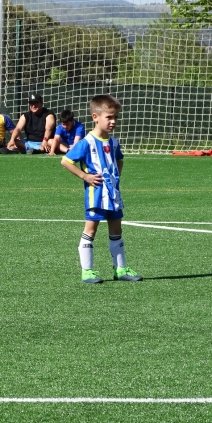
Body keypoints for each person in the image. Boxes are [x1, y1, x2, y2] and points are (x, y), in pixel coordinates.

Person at [61, 94, 142, 284]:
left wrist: (117, 177)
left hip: (113, 195)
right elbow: (66, 161)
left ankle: (120, 269)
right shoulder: (87, 142)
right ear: (95, 117)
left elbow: (119, 159)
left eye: (115, 117)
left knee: (117, 230)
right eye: (109, 117)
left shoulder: (113, 142)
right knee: (91, 229)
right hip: (95, 195)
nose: (113, 121)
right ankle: (87, 271)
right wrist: (85, 176)